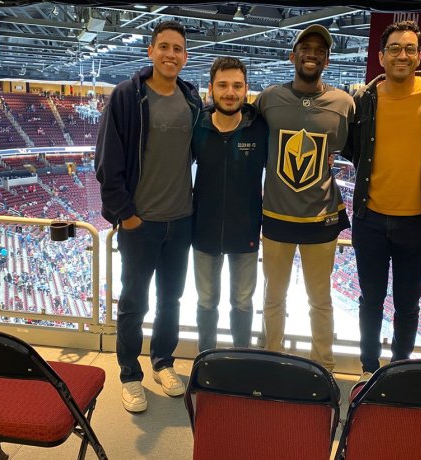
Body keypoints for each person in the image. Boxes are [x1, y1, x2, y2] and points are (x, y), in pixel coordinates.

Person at [342, 20, 421, 382]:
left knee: (408, 305)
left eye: (410, 48)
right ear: (380, 56)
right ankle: (369, 367)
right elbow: (353, 148)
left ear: (420, 55)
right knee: (370, 301)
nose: (402, 55)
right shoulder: (364, 99)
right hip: (370, 219)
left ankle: (399, 368)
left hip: (416, 220)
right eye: (394, 48)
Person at [95, 20, 202, 413]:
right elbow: (107, 161)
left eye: (178, 49)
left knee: (171, 299)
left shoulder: (192, 99)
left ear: (185, 56)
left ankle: (163, 362)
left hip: (182, 219)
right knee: (134, 303)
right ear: (150, 51)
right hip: (142, 223)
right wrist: (127, 214)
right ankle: (129, 374)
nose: (171, 54)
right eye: (164, 47)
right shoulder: (127, 96)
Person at [255, 24, 354, 371]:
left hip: (320, 219)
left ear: (327, 59)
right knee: (273, 298)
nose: (312, 53)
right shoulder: (268, 99)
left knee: (320, 300)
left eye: (319, 50)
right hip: (277, 216)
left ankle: (323, 367)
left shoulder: (343, 103)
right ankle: (271, 361)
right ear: (292, 55)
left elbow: (349, 146)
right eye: (305, 47)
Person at [191, 57, 268, 351]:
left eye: (237, 86)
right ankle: (206, 357)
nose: (230, 92)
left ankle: (241, 359)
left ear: (246, 89)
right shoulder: (197, 126)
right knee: (206, 301)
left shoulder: (259, 129)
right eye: (222, 85)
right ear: (211, 89)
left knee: (242, 302)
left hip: (246, 231)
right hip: (204, 231)